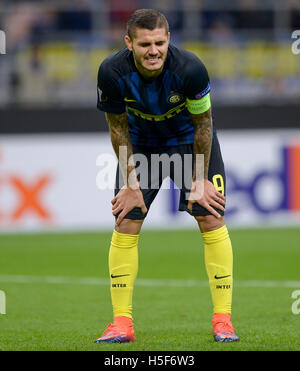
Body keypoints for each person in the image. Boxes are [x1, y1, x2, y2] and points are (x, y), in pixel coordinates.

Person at [95, 9, 239, 344]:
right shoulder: (111, 72)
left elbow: (204, 125)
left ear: (169, 39)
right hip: (142, 146)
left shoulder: (190, 69)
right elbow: (117, 129)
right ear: (129, 42)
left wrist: (200, 180)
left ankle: (223, 321)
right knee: (126, 220)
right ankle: (121, 324)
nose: (154, 50)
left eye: (160, 42)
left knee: (211, 215)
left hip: (190, 143)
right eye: (145, 44)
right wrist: (131, 184)